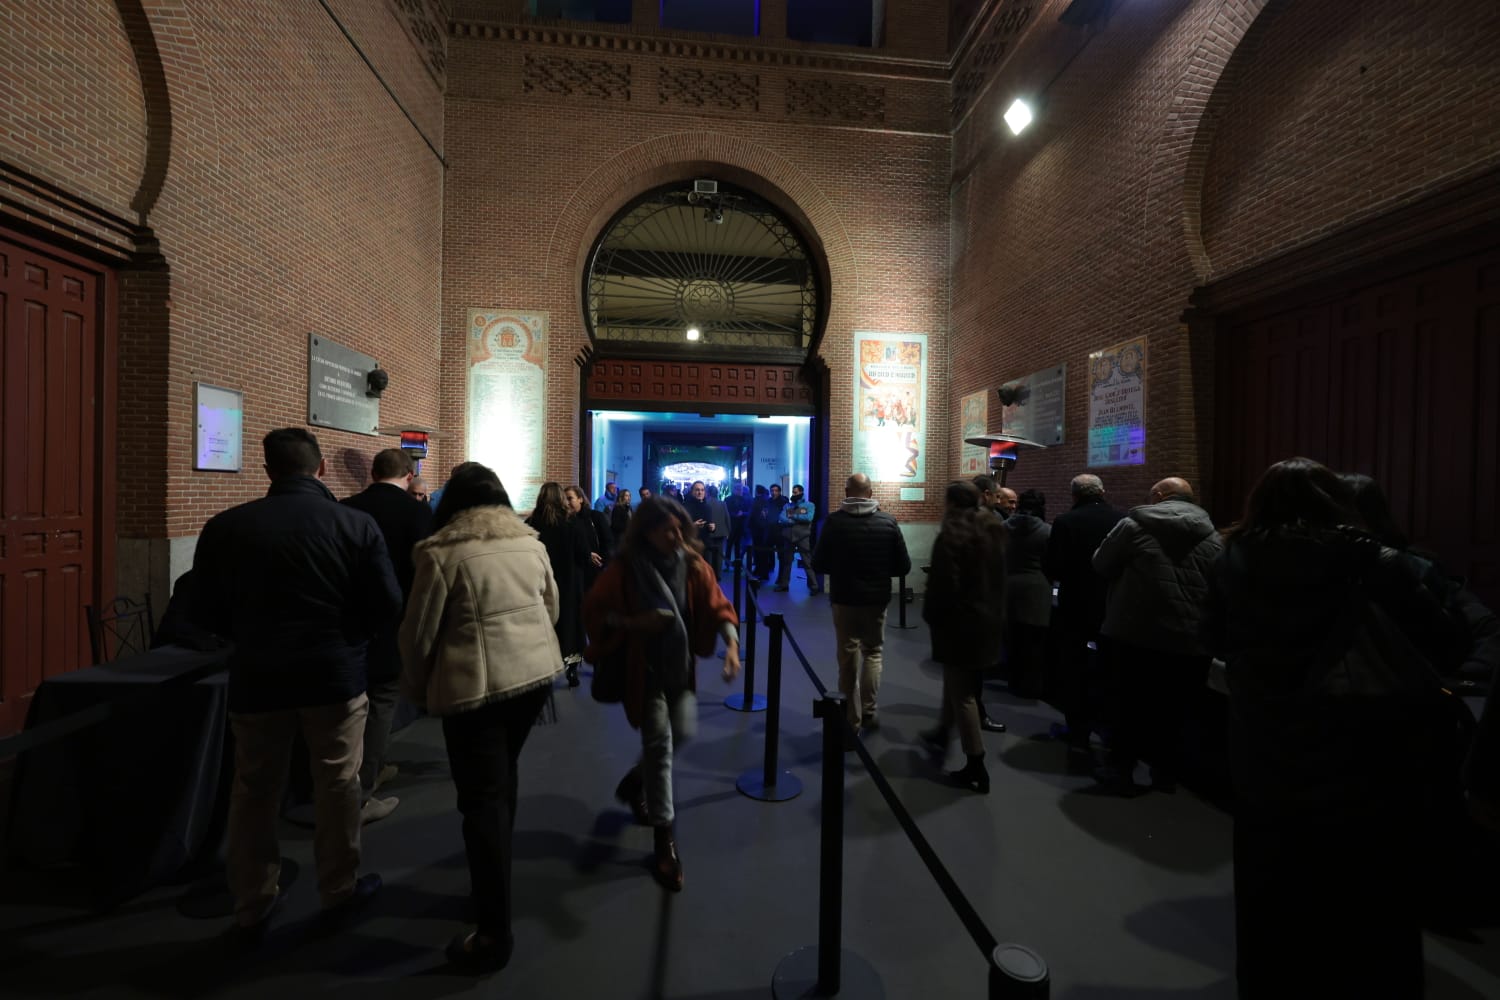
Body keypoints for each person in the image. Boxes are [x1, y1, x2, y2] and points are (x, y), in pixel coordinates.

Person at [1206, 457, 1467, 997]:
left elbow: (1212, 637)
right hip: (1363, 743)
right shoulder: (1373, 558)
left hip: (1264, 738)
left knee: (1269, 882)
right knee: (1371, 891)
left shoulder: (1232, 557)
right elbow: (1448, 643)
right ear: (1333, 500)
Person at [192, 428, 399, 943]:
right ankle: (339, 887)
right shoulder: (355, 525)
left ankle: (252, 901)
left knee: (255, 789)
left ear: (267, 471)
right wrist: (352, 639)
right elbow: (386, 603)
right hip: (334, 673)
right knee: (337, 784)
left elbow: (203, 610)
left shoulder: (227, 527)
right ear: (322, 468)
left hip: (259, 676)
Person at [399, 463, 562, 973]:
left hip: (477, 688)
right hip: (533, 679)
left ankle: (493, 933)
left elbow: (418, 635)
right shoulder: (530, 544)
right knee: (501, 780)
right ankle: (495, 879)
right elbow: (551, 608)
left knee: (479, 799)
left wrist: (417, 688)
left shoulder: (442, 552)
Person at [582, 497, 740, 892]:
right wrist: (636, 622)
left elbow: (718, 604)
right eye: (666, 530)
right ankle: (663, 839)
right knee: (661, 747)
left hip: (680, 670)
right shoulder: (626, 569)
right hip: (644, 671)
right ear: (647, 531)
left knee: (682, 733)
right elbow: (596, 611)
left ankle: (635, 783)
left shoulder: (692, 564)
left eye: (678, 529)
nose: (675, 536)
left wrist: (732, 646)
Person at [1091, 477, 1221, 795]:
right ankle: (1166, 775)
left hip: (1133, 633)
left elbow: (1101, 563)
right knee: (1175, 710)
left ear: (1160, 496)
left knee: (1127, 705)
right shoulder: (1214, 537)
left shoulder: (1133, 525)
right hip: (1189, 641)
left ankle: (1121, 771)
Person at [342, 448, 435, 822]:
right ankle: (368, 777)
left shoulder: (346, 507)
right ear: (409, 476)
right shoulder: (417, 512)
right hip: (397, 617)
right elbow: (425, 568)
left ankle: (351, 774)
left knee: (352, 701)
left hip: (349, 617)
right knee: (382, 700)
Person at [810, 473, 911, 745]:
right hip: (876, 599)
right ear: (871, 492)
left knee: (847, 656)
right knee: (873, 653)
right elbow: (903, 567)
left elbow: (818, 563)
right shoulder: (888, 522)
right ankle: (869, 710)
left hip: (844, 599)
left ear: (846, 492)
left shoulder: (833, 522)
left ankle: (851, 720)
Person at [920, 482, 1008, 792]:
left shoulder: (953, 535)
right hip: (987, 620)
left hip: (959, 624)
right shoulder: (993, 529)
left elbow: (944, 587)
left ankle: (976, 764)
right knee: (956, 681)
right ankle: (943, 731)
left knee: (964, 694)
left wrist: (932, 617)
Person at [1042, 474, 1124, 766]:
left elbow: (1054, 566)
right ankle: (1110, 727)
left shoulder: (1065, 522)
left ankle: (1078, 731)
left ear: (1073, 495)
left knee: (1074, 668)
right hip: (1111, 605)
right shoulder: (1122, 519)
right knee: (1110, 667)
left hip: (1075, 605)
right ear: (1103, 491)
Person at [527, 482, 591, 688]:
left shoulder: (532, 523)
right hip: (570, 582)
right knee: (571, 625)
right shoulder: (572, 523)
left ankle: (542, 668)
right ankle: (572, 671)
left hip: (541, 582)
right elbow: (583, 553)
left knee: (544, 625)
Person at [1003, 488, 1051, 700]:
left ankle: (1012, 680)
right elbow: (1052, 561)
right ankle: (1030, 686)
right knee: (1033, 641)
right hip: (1037, 589)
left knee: (1011, 637)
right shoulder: (1047, 531)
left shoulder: (1003, 527)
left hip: (1007, 585)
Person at [773, 484, 819, 595]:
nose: (794, 494)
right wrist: (793, 520)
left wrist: (793, 516)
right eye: (793, 492)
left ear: (801, 492)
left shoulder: (809, 505)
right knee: (786, 562)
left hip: (803, 536)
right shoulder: (787, 505)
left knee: (807, 562)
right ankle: (784, 584)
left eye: (796, 492)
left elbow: (808, 518)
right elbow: (781, 517)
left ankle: (814, 586)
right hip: (789, 537)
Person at [565, 484, 611, 588]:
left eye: (570, 498)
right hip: (576, 572)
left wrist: (602, 563)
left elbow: (608, 542)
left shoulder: (596, 517)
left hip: (595, 569)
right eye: (565, 499)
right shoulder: (566, 521)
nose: (567, 503)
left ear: (580, 499)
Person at [682, 480, 729, 576]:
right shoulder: (685, 506)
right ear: (692, 491)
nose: (700, 492)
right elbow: (680, 527)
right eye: (697, 490)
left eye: (702, 490)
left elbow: (710, 525)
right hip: (692, 544)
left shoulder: (707, 507)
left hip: (706, 544)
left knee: (705, 573)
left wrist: (712, 527)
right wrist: (693, 525)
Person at [747, 485, 776, 580]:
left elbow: (753, 516)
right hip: (764, 530)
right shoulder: (766, 501)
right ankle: (762, 571)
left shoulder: (756, 501)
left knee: (759, 552)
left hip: (758, 530)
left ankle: (761, 571)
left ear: (756, 491)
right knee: (763, 552)